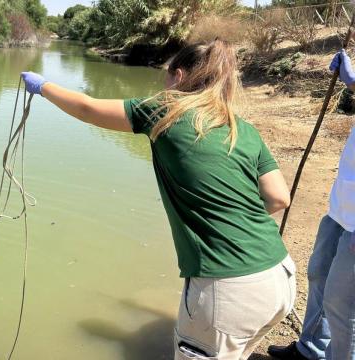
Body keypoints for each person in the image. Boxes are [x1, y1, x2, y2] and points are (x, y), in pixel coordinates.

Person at [21, 39, 296, 360]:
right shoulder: (243, 129)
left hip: (227, 292)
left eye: (166, 78)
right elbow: (279, 198)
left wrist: (44, 87)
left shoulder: (165, 112)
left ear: (178, 76)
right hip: (280, 278)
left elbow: (87, 108)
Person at [267, 50, 355, 360]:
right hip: (343, 206)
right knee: (319, 272)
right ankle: (310, 350)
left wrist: (354, 81)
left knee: (343, 305)